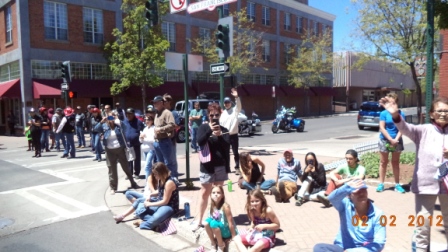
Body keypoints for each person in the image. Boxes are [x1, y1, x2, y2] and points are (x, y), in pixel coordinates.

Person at [379, 95, 448, 251]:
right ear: (431, 114)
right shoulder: (423, 130)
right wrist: (395, 114)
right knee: (422, 227)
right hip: (426, 185)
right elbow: (405, 128)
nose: (443, 114)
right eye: (440, 111)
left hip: (447, 187)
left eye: (447, 111)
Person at [313, 180, 386, 252]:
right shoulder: (345, 205)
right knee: (319, 248)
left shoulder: (379, 214)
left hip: (363, 250)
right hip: (342, 247)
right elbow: (332, 198)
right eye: (357, 191)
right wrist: (347, 187)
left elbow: (380, 242)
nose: (361, 194)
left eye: (364, 190)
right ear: (349, 195)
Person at [194, 102, 230, 232]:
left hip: (220, 166)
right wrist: (210, 129)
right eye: (211, 115)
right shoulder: (203, 128)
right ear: (208, 115)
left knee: (217, 195)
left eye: (216, 115)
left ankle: (215, 218)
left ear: (220, 115)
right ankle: (199, 220)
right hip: (207, 167)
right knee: (205, 193)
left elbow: (226, 148)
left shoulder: (224, 129)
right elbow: (200, 142)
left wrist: (220, 136)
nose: (214, 117)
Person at [113, 162, 179, 230]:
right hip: (159, 202)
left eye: (156, 174)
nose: (155, 176)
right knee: (140, 205)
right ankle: (122, 216)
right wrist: (150, 194)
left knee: (154, 217)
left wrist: (150, 204)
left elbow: (165, 201)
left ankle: (145, 224)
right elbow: (160, 191)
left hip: (168, 206)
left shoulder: (169, 182)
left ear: (161, 173)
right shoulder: (161, 179)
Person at [94, 111, 138, 194]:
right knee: (111, 169)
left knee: (126, 167)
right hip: (109, 150)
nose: (111, 120)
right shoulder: (104, 126)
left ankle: (133, 182)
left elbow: (125, 128)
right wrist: (101, 121)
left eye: (112, 118)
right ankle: (113, 187)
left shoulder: (119, 126)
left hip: (120, 149)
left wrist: (118, 120)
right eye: (109, 118)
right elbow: (96, 129)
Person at [377, 93, 406, 193]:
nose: (391, 104)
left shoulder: (401, 114)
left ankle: (397, 184)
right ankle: (381, 184)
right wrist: (390, 139)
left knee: (395, 163)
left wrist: (396, 140)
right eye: (389, 102)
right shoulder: (383, 113)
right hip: (385, 140)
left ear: (396, 102)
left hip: (397, 140)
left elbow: (402, 128)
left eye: (393, 102)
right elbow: (382, 127)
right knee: (383, 162)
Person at [204, 185, 237, 252]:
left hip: (226, 231)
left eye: (218, 193)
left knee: (213, 223)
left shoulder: (225, 207)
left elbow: (231, 223)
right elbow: (210, 219)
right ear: (210, 195)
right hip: (218, 229)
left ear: (222, 195)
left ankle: (221, 245)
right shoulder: (211, 206)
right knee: (205, 222)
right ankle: (213, 243)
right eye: (213, 193)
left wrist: (233, 237)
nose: (216, 194)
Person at [152, 95, 177, 178]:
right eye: (154, 103)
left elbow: (172, 125)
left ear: (162, 103)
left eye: (156, 102)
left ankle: (173, 182)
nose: (154, 104)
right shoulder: (157, 114)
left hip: (165, 141)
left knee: (169, 163)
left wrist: (160, 129)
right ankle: (163, 182)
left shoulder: (167, 113)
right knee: (160, 164)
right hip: (157, 141)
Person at [220, 88, 242, 175]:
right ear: (224, 104)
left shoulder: (235, 110)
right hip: (225, 136)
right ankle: (227, 168)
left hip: (234, 135)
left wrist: (236, 97)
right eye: (225, 103)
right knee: (226, 152)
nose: (227, 104)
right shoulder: (223, 113)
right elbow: (221, 124)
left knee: (235, 152)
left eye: (228, 102)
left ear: (230, 103)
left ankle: (237, 168)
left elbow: (239, 106)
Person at [124, 107, 145, 179]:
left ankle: (137, 173)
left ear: (133, 114)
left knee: (136, 159)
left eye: (130, 114)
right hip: (127, 143)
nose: (129, 115)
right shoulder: (124, 122)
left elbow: (143, 130)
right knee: (129, 159)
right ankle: (129, 174)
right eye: (127, 114)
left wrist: (141, 137)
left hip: (136, 143)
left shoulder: (138, 122)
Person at [163, 93, 179, 177]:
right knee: (164, 160)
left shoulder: (174, 113)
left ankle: (174, 176)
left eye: (164, 101)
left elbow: (178, 125)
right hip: (162, 140)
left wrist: (168, 127)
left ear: (169, 102)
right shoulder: (161, 112)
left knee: (172, 160)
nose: (163, 103)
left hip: (171, 140)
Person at [140, 116, 155, 180]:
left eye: (148, 120)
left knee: (147, 166)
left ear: (152, 121)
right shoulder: (145, 129)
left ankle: (148, 183)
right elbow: (140, 140)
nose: (146, 121)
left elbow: (153, 140)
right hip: (144, 150)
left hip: (151, 149)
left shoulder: (153, 128)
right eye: (145, 120)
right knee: (149, 167)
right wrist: (141, 137)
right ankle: (152, 181)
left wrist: (144, 138)